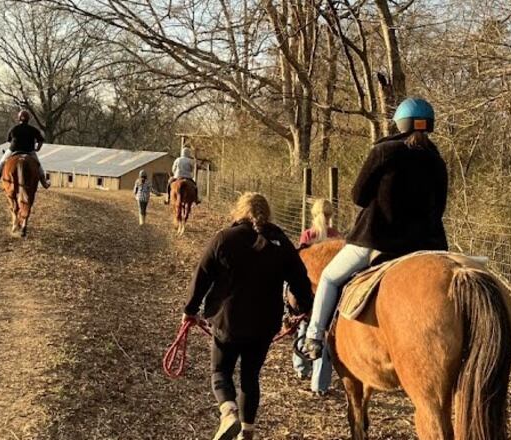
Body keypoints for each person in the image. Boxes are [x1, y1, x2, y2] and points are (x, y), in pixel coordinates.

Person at [302, 97, 449, 360]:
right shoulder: (437, 160)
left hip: (378, 241)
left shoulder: (384, 151)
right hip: (428, 246)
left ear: (400, 124)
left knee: (329, 277)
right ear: (429, 126)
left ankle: (314, 336)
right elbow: (440, 208)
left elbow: (358, 196)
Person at [183, 192, 313, 440]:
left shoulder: (224, 238)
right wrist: (306, 307)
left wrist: (190, 310)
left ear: (240, 211)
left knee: (220, 370)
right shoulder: (280, 242)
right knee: (250, 377)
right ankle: (247, 432)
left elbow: (202, 275)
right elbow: (300, 279)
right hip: (264, 324)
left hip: (227, 321)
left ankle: (229, 412)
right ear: (267, 213)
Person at [292, 198, 340, 394]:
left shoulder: (307, 235)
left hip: (309, 290)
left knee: (304, 324)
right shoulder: (336, 236)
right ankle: (320, 384)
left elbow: (301, 264)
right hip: (329, 292)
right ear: (331, 216)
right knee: (324, 333)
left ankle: (301, 367)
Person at [0, 110, 50, 189]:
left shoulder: (14, 129)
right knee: (38, 166)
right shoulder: (33, 129)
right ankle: (44, 183)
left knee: (1, 163)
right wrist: (37, 148)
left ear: (19, 118)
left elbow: (9, 140)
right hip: (29, 151)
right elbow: (41, 140)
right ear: (28, 119)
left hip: (14, 150)